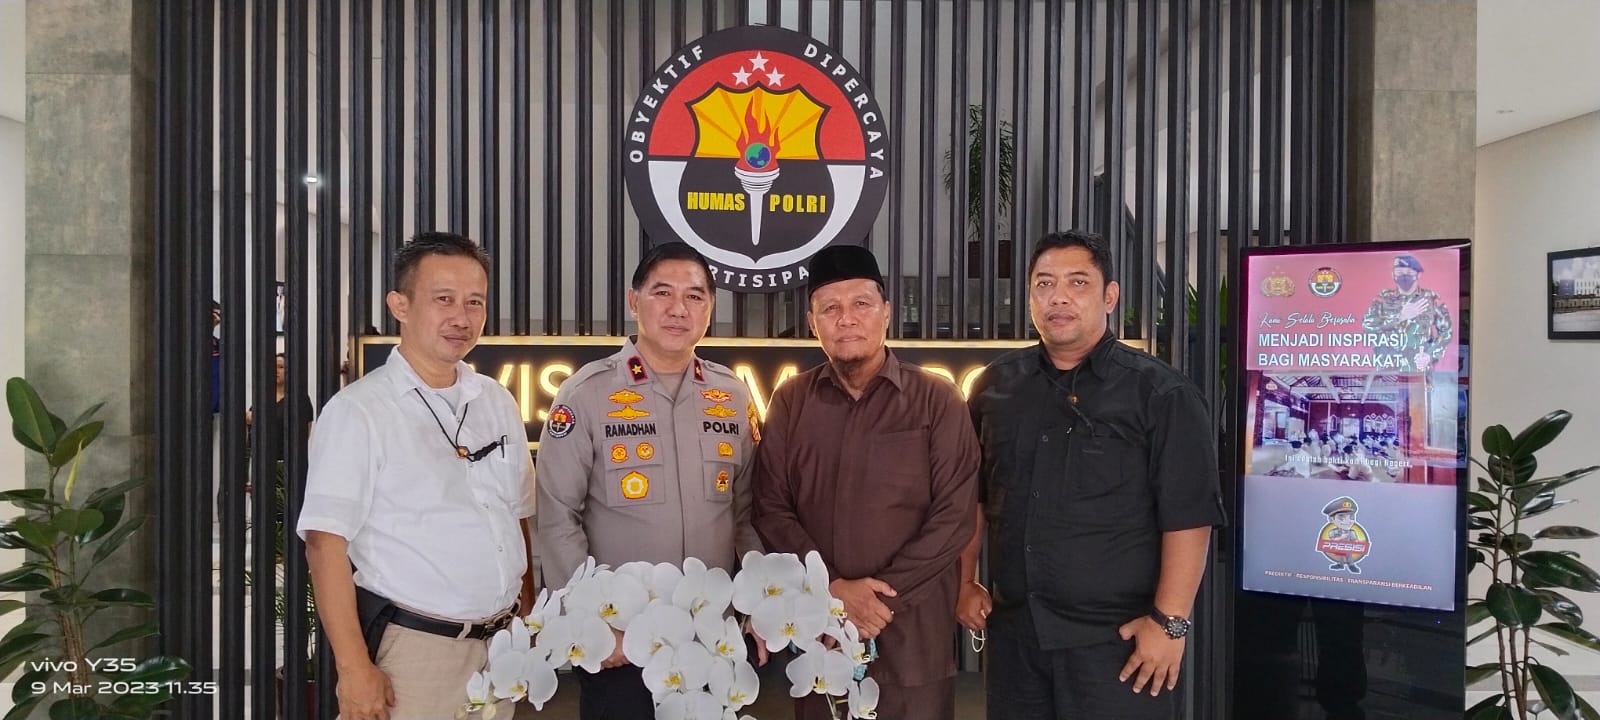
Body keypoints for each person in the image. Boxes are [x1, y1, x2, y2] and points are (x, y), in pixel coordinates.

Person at [960, 230, 1224, 719]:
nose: (1058, 297)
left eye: (1077, 282)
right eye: (1044, 284)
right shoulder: (996, 386)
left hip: (1119, 643)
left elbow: (1189, 515)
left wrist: (1170, 623)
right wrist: (964, 580)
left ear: (1110, 296)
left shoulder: (1161, 394)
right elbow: (974, 496)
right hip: (1017, 636)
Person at [298, 232, 535, 720]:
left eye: (474, 302)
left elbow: (516, 518)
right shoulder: (359, 411)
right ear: (399, 305)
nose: (461, 318)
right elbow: (324, 545)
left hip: (500, 648)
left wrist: (526, 621)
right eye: (443, 299)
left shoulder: (496, 401)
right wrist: (353, 668)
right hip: (414, 654)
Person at [536, 242, 763, 720]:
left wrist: (755, 607)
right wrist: (592, 625)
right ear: (634, 301)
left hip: (710, 638)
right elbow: (558, 518)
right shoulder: (587, 393)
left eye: (695, 296)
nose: (679, 308)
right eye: (663, 292)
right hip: (622, 639)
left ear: (710, 308)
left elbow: (745, 516)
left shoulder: (731, 395)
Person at [751, 244, 979, 720]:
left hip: (912, 637)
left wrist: (876, 599)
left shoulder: (937, 400)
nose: (847, 319)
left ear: (887, 313)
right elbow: (771, 508)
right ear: (813, 322)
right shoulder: (791, 402)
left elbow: (954, 516)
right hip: (821, 633)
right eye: (830, 308)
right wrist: (833, 589)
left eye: (861, 304)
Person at [245, 352, 315, 520]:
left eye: (281, 367)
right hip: (262, 460)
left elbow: (305, 431)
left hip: (286, 462)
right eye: (274, 367)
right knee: (262, 506)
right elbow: (251, 420)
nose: (276, 371)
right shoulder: (263, 396)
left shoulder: (299, 398)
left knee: (285, 507)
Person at [1362, 254, 1453, 372]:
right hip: (1388, 371)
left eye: (1409, 273)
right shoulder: (1383, 298)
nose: (1404, 276)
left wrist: (1430, 355)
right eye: (1399, 272)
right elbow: (1367, 326)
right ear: (1393, 275)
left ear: (1418, 275)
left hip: (1419, 371)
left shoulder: (1431, 298)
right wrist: (1400, 317)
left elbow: (1446, 331)